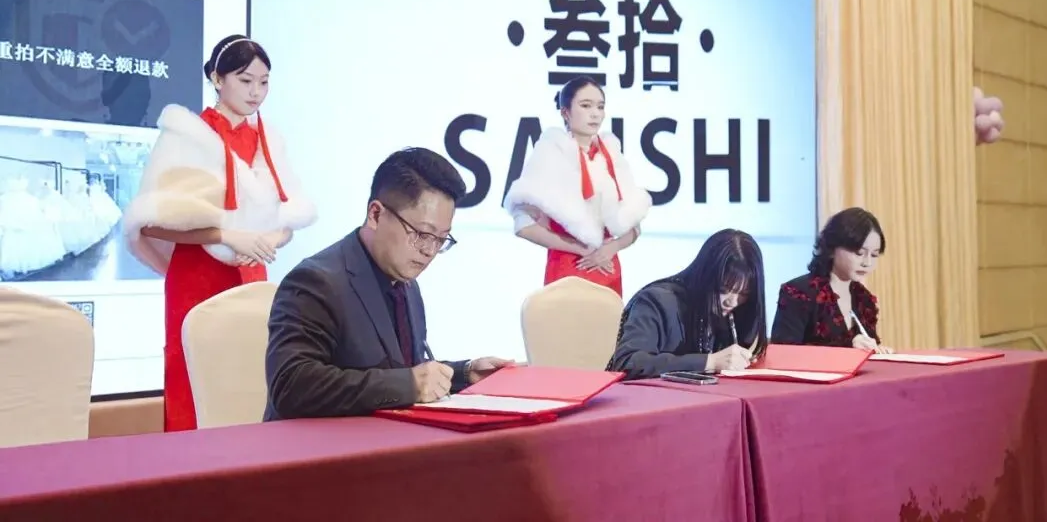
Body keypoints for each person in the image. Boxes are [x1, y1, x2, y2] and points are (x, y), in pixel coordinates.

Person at [123, 34, 316, 432]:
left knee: (250, 372)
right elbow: (151, 220)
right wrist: (227, 237)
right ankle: (187, 463)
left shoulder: (269, 139)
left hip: (252, 274)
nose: (256, 92)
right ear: (217, 78)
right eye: (245, 80)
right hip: (198, 275)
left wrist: (268, 241)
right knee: (191, 373)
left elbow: (287, 217)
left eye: (264, 82)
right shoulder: (187, 135)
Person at [263, 148, 513, 420]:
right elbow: (291, 386)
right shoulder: (316, 282)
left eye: (441, 239)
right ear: (375, 214)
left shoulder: (405, 282)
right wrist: (410, 384)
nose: (429, 250)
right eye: (421, 234)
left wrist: (463, 374)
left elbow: (398, 371)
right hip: (321, 444)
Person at [503, 76, 651, 297]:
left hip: (608, 270)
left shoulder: (611, 153)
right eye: (586, 105)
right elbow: (523, 226)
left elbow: (634, 226)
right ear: (565, 112)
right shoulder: (550, 153)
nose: (595, 114)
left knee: (608, 319)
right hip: (568, 267)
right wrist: (579, 248)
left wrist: (610, 248)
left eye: (600, 107)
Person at [606, 229, 769, 380]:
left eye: (743, 294)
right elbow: (628, 363)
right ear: (705, 277)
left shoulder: (740, 311)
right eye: (723, 290)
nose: (732, 301)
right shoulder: (656, 301)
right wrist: (709, 362)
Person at [771, 207, 893, 353]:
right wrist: (847, 348)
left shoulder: (864, 299)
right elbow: (783, 354)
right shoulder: (798, 292)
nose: (867, 263)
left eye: (874, 255)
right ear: (832, 248)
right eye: (859, 253)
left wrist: (878, 352)